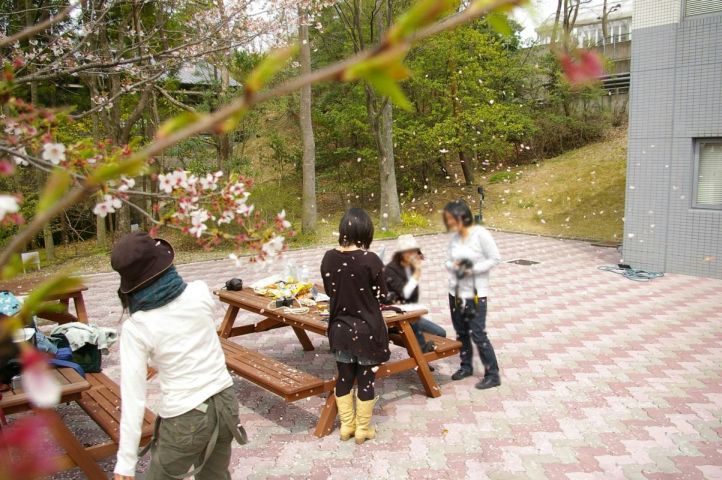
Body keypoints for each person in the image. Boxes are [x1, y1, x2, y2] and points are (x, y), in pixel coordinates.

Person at [111, 232, 245, 480]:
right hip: (226, 403)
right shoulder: (200, 291)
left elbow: (133, 398)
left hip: (186, 418)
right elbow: (189, 334)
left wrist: (126, 463)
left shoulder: (136, 327)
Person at [320, 208, 389, 444]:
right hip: (367, 330)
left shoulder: (328, 257)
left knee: (344, 378)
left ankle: (346, 427)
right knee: (366, 381)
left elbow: (330, 291)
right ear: (366, 232)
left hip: (340, 329)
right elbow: (382, 296)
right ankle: (362, 429)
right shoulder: (371, 259)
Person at [443, 200, 502, 390]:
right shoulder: (455, 238)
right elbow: (447, 261)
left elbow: (495, 258)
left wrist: (472, 270)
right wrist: (453, 266)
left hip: (475, 294)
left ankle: (493, 375)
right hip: (455, 293)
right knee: (461, 332)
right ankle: (466, 366)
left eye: (451, 219)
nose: (449, 223)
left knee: (478, 334)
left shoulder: (481, 234)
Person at [384, 234, 447, 353]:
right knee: (430, 334)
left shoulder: (409, 268)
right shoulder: (390, 270)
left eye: (414, 252)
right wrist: (417, 273)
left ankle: (420, 356)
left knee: (440, 333)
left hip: (409, 315)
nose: (413, 256)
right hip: (395, 319)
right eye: (409, 252)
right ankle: (419, 355)